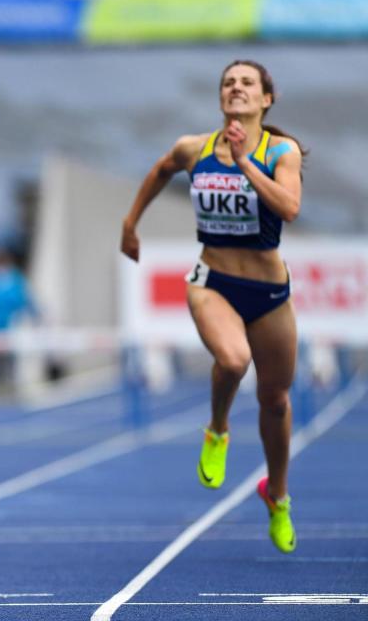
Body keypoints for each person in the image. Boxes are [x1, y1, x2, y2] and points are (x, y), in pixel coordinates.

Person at [121, 60, 304, 554]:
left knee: (277, 401)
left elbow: (289, 208)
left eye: (247, 83)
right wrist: (130, 223)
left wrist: (245, 162)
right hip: (212, 280)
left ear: (267, 98)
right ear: (221, 98)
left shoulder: (279, 152)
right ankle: (218, 429)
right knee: (232, 359)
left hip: (268, 293)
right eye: (229, 83)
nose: (237, 88)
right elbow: (160, 170)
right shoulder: (194, 148)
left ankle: (277, 495)